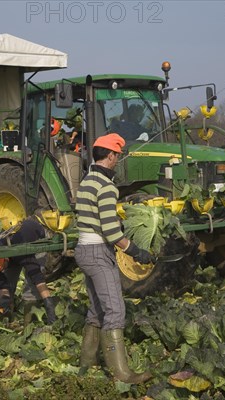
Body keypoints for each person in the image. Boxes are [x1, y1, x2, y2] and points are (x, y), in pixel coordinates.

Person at [74, 132, 153, 384]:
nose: (117, 160)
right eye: (117, 156)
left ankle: (86, 364)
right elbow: (110, 232)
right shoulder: (106, 187)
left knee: (97, 309)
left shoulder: (87, 181)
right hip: (98, 253)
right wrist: (135, 251)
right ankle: (122, 373)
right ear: (110, 155)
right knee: (115, 310)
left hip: (83, 250)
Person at [0, 217, 57, 324]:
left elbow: (38, 279)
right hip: (11, 248)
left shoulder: (23, 253)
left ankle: (31, 320)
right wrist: (4, 300)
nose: (2, 270)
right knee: (8, 284)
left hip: (34, 240)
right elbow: (1, 283)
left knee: (31, 286)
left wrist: (48, 302)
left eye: (3, 266)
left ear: (6, 258)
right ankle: (7, 318)